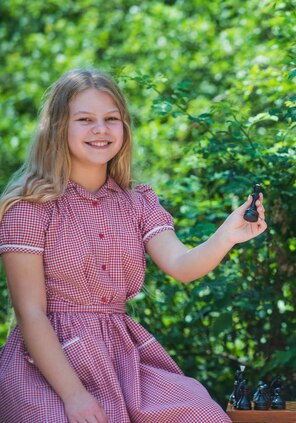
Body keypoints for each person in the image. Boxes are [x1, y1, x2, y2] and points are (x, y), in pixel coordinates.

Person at [0, 68, 267, 423]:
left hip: (121, 357)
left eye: (112, 119)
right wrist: (74, 396)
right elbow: (30, 312)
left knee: (201, 412)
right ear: (57, 127)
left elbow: (182, 265)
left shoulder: (137, 201)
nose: (100, 129)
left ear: (124, 128)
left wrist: (227, 235)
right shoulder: (29, 207)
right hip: (48, 366)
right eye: (85, 119)